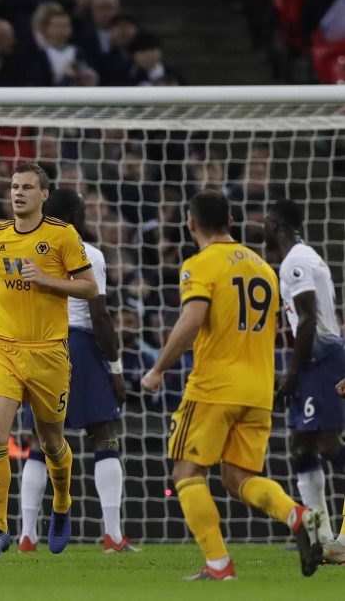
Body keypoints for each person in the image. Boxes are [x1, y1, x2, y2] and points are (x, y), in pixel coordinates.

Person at [141, 190, 323, 580]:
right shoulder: (263, 267)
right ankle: (298, 514)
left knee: (186, 473)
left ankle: (219, 564)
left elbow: (192, 320)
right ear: (231, 222)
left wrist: (157, 368)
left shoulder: (200, 263)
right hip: (258, 388)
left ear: (191, 222)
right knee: (237, 478)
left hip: (214, 386)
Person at [0, 163, 97, 561]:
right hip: (3, 348)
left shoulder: (62, 235)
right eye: (14, 186)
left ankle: (61, 504)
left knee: (51, 442)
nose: (18, 193)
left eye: (27, 187)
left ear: (44, 194)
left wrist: (48, 280)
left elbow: (90, 287)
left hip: (49, 353)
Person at [17, 188, 135, 554]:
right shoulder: (88, 254)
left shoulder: (28, 253)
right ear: (74, 215)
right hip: (78, 347)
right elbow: (100, 315)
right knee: (105, 435)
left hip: (37, 345)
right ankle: (113, 534)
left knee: (41, 441)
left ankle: (26, 535)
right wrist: (115, 368)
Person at [264, 199, 345, 563]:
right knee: (303, 444)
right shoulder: (305, 257)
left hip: (321, 360)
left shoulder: (296, 261)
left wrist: (293, 374)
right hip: (318, 359)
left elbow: (309, 320)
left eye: (266, 221)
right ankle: (322, 535)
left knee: (326, 444)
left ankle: (326, 536)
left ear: (275, 224)